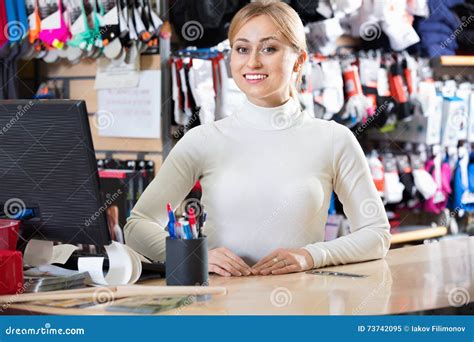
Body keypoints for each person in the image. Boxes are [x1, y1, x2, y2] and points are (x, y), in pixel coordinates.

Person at [124, 1, 390, 277]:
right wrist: (194, 255)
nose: (252, 62)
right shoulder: (202, 140)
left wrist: (312, 256)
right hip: (221, 308)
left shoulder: (335, 139)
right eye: (242, 49)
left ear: (299, 60)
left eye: (269, 48)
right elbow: (138, 225)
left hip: (303, 308)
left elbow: (376, 234)